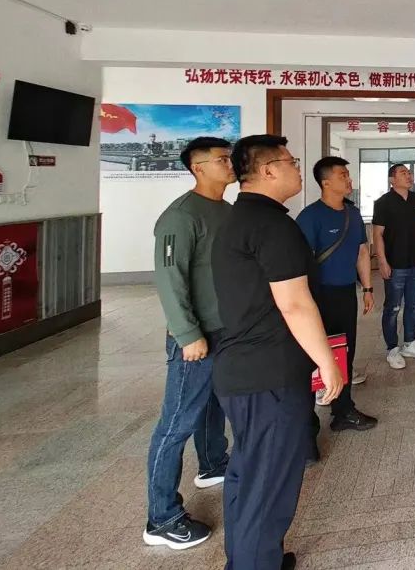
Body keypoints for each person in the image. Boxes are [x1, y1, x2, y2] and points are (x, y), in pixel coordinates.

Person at [212, 135, 343, 570]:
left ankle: (249, 559)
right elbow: (295, 303)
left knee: (248, 476)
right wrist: (327, 363)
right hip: (270, 374)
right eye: (291, 162)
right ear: (268, 170)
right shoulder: (272, 226)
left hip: (243, 371)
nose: (296, 169)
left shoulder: (239, 219)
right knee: (268, 485)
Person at [143, 137, 235, 551]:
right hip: (196, 337)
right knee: (177, 423)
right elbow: (170, 278)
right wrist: (187, 334)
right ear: (198, 168)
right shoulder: (180, 217)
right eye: (222, 160)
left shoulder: (226, 211)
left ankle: (213, 463)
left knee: (213, 406)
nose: (230, 165)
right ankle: (161, 518)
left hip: (224, 329)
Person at [296, 156, 377, 433]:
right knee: (315, 352)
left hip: (345, 293)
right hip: (318, 295)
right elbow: (299, 262)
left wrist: (367, 288)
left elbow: (362, 252)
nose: (349, 179)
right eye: (342, 175)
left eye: (348, 174)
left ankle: (343, 410)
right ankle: (306, 422)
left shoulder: (352, 214)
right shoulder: (310, 217)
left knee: (345, 349)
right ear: (326, 182)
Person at [372, 163, 415, 369]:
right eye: (402, 173)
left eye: (409, 172)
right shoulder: (383, 202)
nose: (408, 175)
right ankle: (392, 348)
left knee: (413, 305)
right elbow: (377, 234)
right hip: (394, 265)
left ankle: (410, 343)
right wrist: (382, 261)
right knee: (393, 308)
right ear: (392, 180)